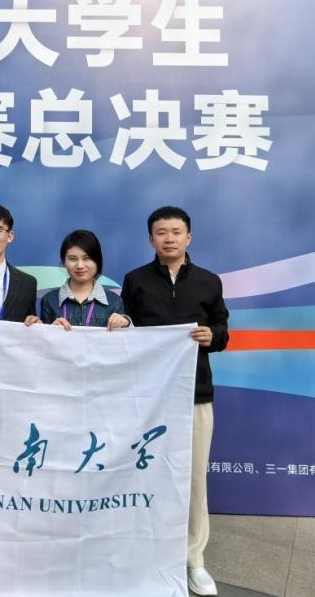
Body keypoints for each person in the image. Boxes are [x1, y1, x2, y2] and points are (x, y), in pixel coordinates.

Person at [120, 206, 229, 597]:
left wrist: (212, 336)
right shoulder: (135, 281)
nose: (169, 238)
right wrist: (122, 325)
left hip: (195, 394)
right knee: (143, 474)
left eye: (176, 231)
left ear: (189, 237)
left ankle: (194, 559)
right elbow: (127, 332)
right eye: (161, 232)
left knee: (194, 479)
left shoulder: (208, 281)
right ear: (151, 239)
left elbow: (223, 330)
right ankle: (145, 553)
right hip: (147, 397)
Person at [39, 229, 131, 330]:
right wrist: (51, 330)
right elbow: (44, 338)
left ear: (97, 261)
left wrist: (126, 323)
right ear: (64, 261)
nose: (80, 265)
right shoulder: (49, 300)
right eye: (73, 259)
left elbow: (123, 338)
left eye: (87, 258)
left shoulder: (114, 301)